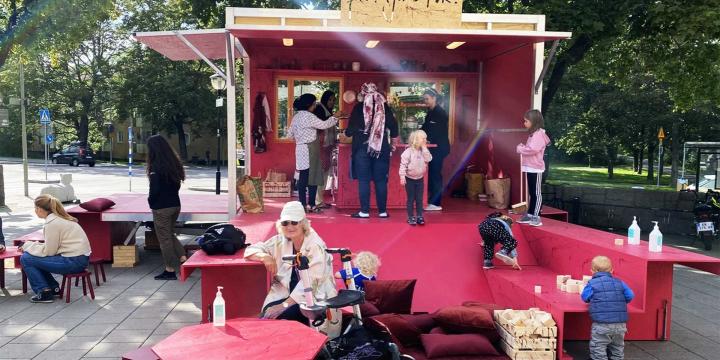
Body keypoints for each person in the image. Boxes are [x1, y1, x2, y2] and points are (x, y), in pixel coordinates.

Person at [244, 201, 340, 336]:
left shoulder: (315, 245)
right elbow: (251, 250)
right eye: (285, 223)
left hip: (313, 298)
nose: (289, 227)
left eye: (294, 222)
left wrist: (283, 306)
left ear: (303, 223)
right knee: (266, 315)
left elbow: (311, 283)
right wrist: (264, 256)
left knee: (278, 319)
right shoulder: (281, 240)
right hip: (286, 294)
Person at [19, 194, 91, 303]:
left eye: (35, 208)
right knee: (33, 257)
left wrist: (27, 246)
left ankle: (44, 292)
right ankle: (53, 288)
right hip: (79, 260)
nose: (35, 211)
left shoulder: (52, 223)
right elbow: (51, 247)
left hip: (73, 262)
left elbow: (49, 251)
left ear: (40, 209)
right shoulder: (59, 219)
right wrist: (29, 245)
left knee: (26, 258)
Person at [345, 83, 399, 218]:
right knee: (381, 180)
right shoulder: (384, 107)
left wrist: (350, 132)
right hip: (381, 148)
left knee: (364, 180)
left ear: (363, 94)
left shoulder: (358, 108)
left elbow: (349, 131)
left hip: (362, 149)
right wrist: (392, 140)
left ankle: (364, 211)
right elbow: (394, 127)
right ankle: (382, 211)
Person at [146, 135, 187, 281]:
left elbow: (154, 190)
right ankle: (183, 258)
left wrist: (151, 202)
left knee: (164, 239)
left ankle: (169, 270)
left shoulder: (156, 167)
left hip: (161, 208)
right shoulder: (173, 164)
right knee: (169, 234)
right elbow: (176, 186)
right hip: (175, 205)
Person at [289, 93, 339, 212]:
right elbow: (324, 125)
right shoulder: (309, 116)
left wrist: (300, 138)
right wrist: (335, 117)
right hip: (311, 148)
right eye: (314, 103)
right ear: (310, 105)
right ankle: (311, 204)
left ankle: (302, 205)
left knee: (303, 177)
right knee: (314, 176)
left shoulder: (296, 117)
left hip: (300, 149)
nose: (315, 105)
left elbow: (290, 135)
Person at [581, 256, 634, 360]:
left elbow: (585, 297)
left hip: (602, 324)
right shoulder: (620, 282)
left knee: (598, 348)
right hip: (620, 325)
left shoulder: (592, 284)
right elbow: (630, 295)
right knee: (617, 348)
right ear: (612, 270)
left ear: (592, 271)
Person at [516, 109, 550, 227]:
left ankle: (536, 216)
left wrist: (520, 149)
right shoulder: (533, 134)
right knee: (532, 192)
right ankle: (530, 214)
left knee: (536, 193)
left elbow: (533, 150)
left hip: (535, 167)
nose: (524, 123)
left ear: (533, 122)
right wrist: (523, 148)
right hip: (530, 167)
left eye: (526, 121)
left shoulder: (538, 135)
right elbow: (531, 148)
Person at [420, 88, 450, 211]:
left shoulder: (439, 113)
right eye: (424, 99)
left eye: (427, 99)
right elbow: (425, 128)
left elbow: (435, 132)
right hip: (433, 148)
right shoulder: (431, 112)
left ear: (434, 98)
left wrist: (426, 139)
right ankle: (432, 200)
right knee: (432, 174)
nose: (425, 101)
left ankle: (436, 203)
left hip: (438, 148)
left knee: (435, 174)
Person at [399, 130, 432, 225]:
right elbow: (403, 165)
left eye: (426, 138)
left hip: (420, 179)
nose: (425, 140)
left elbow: (429, 159)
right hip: (409, 179)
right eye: (423, 139)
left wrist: (425, 149)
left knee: (419, 199)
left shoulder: (424, 151)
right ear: (416, 140)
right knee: (411, 198)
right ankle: (410, 217)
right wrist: (402, 176)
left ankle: (419, 216)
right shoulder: (408, 152)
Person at [313, 90, 339, 208]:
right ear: (325, 99)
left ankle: (319, 200)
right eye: (330, 100)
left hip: (327, 146)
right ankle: (317, 201)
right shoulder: (319, 109)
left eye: (334, 100)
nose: (332, 102)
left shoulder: (327, 111)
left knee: (325, 172)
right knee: (321, 172)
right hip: (321, 146)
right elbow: (322, 125)